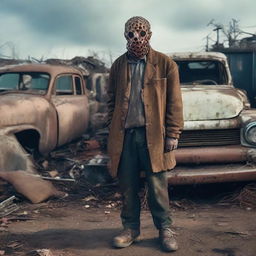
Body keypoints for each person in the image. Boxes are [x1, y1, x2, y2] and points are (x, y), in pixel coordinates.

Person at [106, 16, 184, 252]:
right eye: (132, 35)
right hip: (125, 136)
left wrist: (173, 133)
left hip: (155, 137)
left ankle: (165, 229)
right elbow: (111, 102)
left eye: (141, 33)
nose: (137, 39)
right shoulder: (118, 65)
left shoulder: (166, 64)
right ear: (125, 36)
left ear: (150, 34)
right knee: (127, 184)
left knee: (157, 185)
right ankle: (130, 229)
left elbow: (175, 102)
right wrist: (109, 132)